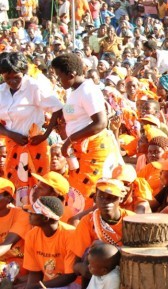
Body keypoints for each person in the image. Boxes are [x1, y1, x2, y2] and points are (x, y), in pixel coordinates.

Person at [51, 53, 117, 209]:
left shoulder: (88, 90)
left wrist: (69, 140)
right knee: (76, 193)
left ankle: (87, 229)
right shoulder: (74, 90)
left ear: (71, 74)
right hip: (79, 150)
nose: (59, 82)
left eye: (60, 77)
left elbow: (100, 122)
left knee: (87, 192)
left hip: (93, 150)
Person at [0, 52, 63, 204]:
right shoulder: (1, 91)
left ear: (24, 72)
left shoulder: (34, 87)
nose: (12, 81)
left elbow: (58, 108)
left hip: (35, 146)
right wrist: (10, 133)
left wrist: (45, 134)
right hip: (12, 146)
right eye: (7, 78)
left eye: (16, 77)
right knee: (14, 187)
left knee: (37, 187)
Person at [23, 196, 77, 289]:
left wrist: (37, 287)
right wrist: (31, 287)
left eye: (33, 212)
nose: (29, 214)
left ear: (45, 218)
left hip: (72, 284)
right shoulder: (31, 235)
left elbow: (70, 276)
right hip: (49, 284)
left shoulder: (71, 235)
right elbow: (35, 272)